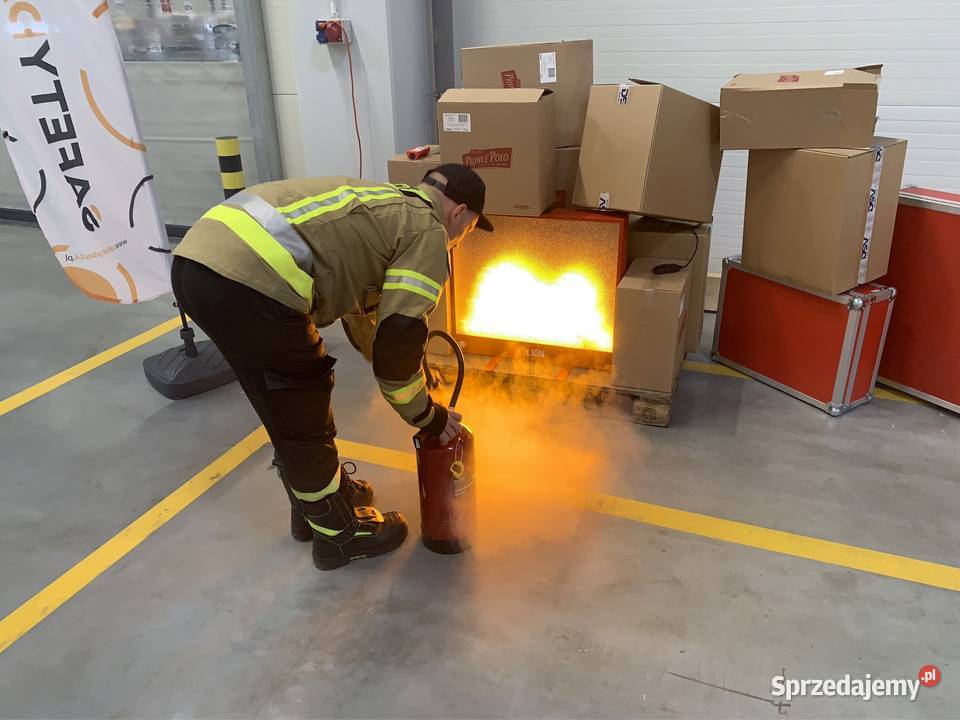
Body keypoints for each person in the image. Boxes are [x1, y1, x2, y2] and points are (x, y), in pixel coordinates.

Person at [170, 164, 492, 570]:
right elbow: (398, 341)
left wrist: (412, 373)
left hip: (199, 263)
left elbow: (362, 315)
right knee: (303, 401)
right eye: (466, 233)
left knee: (280, 401)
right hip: (251, 281)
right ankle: (338, 536)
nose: (459, 241)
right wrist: (426, 415)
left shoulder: (384, 203)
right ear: (459, 213)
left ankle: (315, 506)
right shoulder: (429, 232)